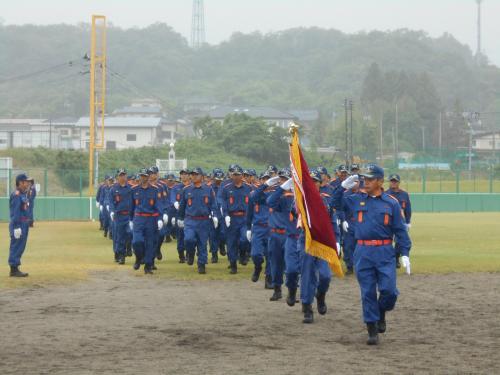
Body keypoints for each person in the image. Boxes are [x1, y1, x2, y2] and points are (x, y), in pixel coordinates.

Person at [343, 164, 411, 345]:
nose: (366, 181)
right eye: (364, 178)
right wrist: (343, 186)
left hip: (384, 251)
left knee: (389, 291)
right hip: (363, 251)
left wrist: (404, 252)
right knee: (367, 292)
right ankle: (372, 328)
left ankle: (381, 312)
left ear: (380, 181)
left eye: (370, 179)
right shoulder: (355, 199)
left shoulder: (392, 203)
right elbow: (334, 204)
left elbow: (400, 231)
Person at [299, 170, 340, 323]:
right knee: (307, 275)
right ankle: (307, 307)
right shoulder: (300, 200)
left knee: (325, 276)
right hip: (308, 241)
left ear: (320, 183)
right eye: (311, 181)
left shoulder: (325, 200)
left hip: (322, 242)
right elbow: (294, 212)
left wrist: (336, 240)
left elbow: (332, 221)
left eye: (316, 181)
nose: (313, 184)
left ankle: (320, 295)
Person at [177, 167, 219, 274]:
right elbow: (182, 206)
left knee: (202, 243)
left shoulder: (208, 189)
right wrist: (180, 219)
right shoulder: (186, 190)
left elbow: (213, 204)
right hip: (190, 220)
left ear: (202, 176)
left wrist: (215, 216)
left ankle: (201, 264)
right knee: (189, 239)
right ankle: (190, 253)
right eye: (193, 174)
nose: (194, 176)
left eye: (196, 174)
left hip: (204, 220)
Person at [265, 168, 295, 301]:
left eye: (286, 179)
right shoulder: (276, 196)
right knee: (276, 264)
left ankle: (292, 290)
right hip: (276, 235)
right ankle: (277, 289)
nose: (283, 181)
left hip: (290, 235)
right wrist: (280, 188)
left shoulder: (297, 197)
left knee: (291, 266)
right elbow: (269, 201)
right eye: (281, 179)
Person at [130, 168, 164, 274]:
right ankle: (139, 258)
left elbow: (158, 206)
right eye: (141, 176)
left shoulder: (155, 190)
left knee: (150, 243)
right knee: (137, 241)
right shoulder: (134, 189)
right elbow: (131, 206)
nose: (143, 178)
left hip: (151, 219)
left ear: (149, 177)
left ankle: (148, 266)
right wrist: (131, 220)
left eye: (145, 176)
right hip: (138, 219)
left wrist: (159, 219)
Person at [221, 165, 252, 274]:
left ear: (242, 175)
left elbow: (253, 203)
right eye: (234, 174)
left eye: (238, 174)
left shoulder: (249, 188)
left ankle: (243, 253)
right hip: (232, 218)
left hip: (244, 217)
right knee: (231, 242)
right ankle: (233, 264)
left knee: (244, 238)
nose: (236, 177)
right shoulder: (226, 188)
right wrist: (225, 215)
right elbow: (223, 203)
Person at [246, 171, 273, 288]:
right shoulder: (255, 194)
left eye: (268, 179)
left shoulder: (276, 193)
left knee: (270, 255)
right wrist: (248, 228)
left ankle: (269, 279)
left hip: (271, 228)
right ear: (260, 180)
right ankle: (258, 268)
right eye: (263, 179)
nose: (265, 181)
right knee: (256, 254)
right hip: (258, 228)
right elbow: (249, 212)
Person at [8, 173, 32, 277]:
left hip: (24, 223)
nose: (28, 183)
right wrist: (17, 227)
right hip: (19, 223)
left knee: (21, 246)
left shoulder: (23, 194)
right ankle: (13, 269)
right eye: (26, 181)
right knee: (16, 246)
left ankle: (16, 267)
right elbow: (15, 212)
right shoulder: (17, 195)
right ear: (21, 183)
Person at [108, 168, 134, 265]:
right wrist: (111, 212)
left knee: (130, 233)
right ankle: (121, 255)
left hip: (129, 215)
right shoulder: (113, 189)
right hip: (118, 216)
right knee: (119, 236)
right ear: (117, 177)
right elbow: (111, 202)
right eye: (121, 175)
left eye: (124, 175)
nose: (123, 177)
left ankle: (128, 247)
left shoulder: (130, 188)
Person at [387, 174, 412, 267]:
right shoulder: (385, 194)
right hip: (387, 221)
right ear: (389, 182)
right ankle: (389, 258)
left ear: (398, 182)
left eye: (395, 181)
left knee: (400, 241)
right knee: (387, 240)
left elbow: (408, 209)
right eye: (392, 181)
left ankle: (396, 257)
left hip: (400, 221)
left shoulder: (404, 194)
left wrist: (408, 222)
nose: (393, 183)